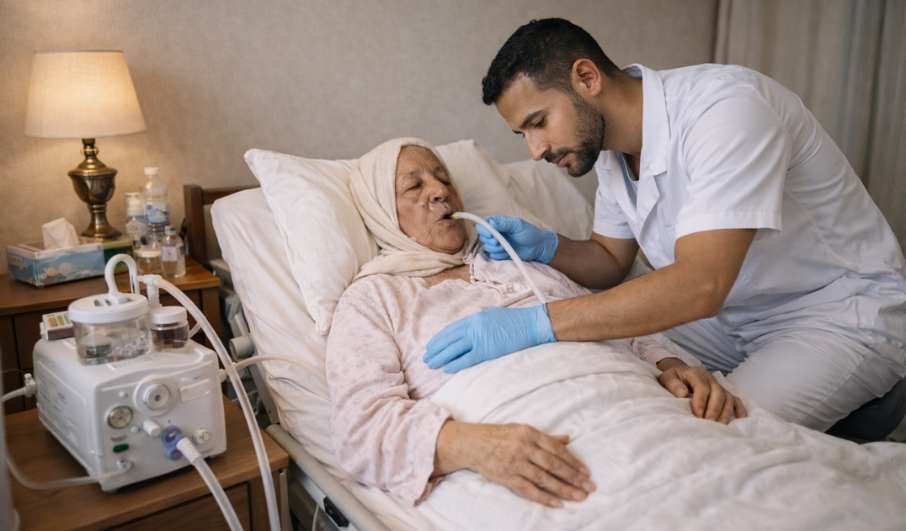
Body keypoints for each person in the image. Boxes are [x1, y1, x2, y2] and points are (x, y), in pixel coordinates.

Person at [423, 18, 906, 439]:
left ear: (586, 77)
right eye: (523, 134)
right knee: (616, 373)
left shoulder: (726, 110)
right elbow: (610, 261)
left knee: (710, 435)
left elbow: (701, 284)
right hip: (734, 313)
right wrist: (547, 248)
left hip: (836, 312)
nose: (535, 150)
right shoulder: (610, 151)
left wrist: (536, 325)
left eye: (538, 122)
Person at [327, 137, 745, 507]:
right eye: (414, 186)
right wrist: (478, 446)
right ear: (380, 210)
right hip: (544, 443)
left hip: (638, 409)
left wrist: (672, 366)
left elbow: (613, 322)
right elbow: (361, 432)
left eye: (443, 178)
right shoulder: (374, 298)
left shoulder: (518, 260)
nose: (440, 192)